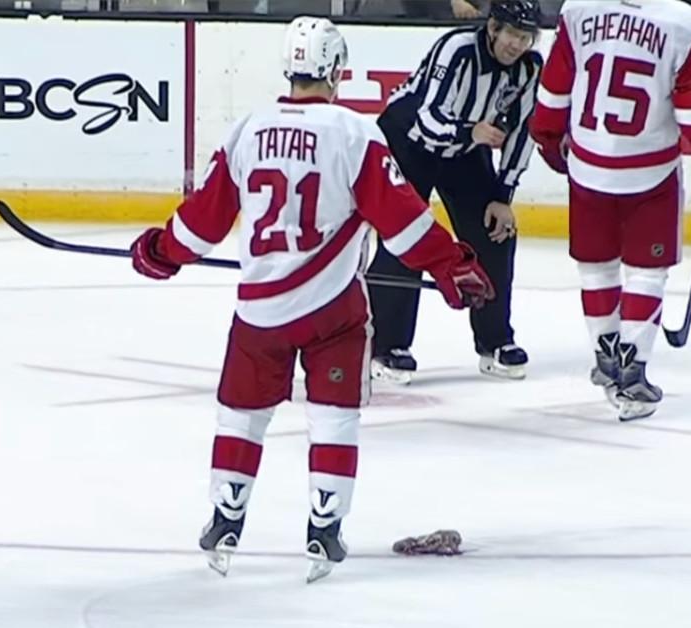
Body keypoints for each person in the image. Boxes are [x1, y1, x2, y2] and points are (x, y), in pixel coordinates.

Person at [129, 16, 494, 582]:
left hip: (260, 313)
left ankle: (226, 517)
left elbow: (202, 223)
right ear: (335, 70)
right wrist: (453, 267)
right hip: (334, 312)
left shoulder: (248, 129)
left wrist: (161, 250)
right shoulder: (354, 133)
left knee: (242, 415)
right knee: (333, 418)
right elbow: (401, 222)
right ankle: (324, 528)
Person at [528, 0, 691, 420]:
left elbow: (554, 89)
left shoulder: (579, 9)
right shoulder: (684, 23)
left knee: (595, 266)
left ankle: (606, 358)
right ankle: (632, 372)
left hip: (588, 163)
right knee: (647, 271)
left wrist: (549, 137)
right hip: (649, 170)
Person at [365, 0, 546, 385]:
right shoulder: (458, 49)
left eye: (526, 36)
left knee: (495, 234)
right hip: (409, 141)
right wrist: (471, 133)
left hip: (463, 148)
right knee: (405, 239)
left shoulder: (530, 69)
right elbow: (428, 118)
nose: (518, 44)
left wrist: (503, 194)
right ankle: (386, 346)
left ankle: (495, 341)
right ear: (493, 28)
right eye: (512, 33)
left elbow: (523, 130)